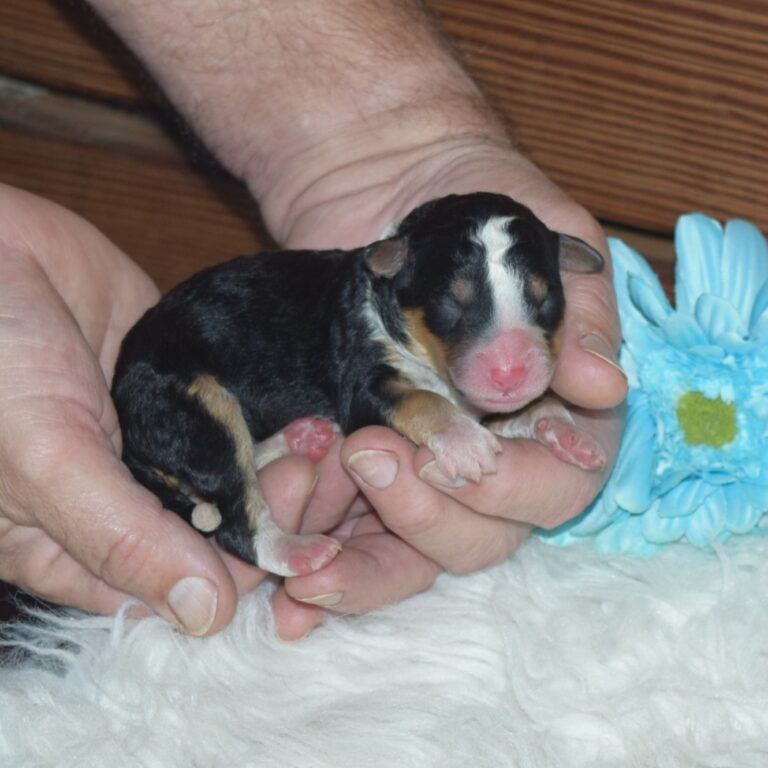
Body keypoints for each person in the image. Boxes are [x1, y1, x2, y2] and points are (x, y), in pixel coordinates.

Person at [0, 0, 626, 640]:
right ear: (393, 271)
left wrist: (541, 413)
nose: (510, 362)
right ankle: (255, 535)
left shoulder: (412, 304)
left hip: (256, 408)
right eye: (455, 310)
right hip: (175, 372)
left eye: (540, 306)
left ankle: (257, 456)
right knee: (223, 429)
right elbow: (377, 402)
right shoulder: (369, 321)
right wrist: (442, 427)